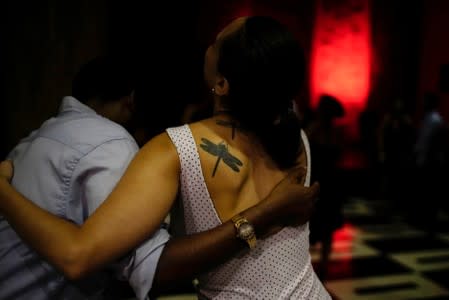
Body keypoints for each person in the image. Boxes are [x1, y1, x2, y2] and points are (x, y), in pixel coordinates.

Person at [0, 16, 329, 299]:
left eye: (216, 42)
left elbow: (78, 256)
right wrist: (266, 212)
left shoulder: (177, 147)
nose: (208, 47)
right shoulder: (295, 137)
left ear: (222, 82)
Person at [306, 94, 345, 280]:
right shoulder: (334, 133)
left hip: (320, 183)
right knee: (323, 227)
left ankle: (318, 266)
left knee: (318, 226)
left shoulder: (314, 131)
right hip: (329, 183)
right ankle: (323, 265)